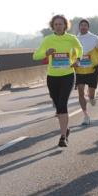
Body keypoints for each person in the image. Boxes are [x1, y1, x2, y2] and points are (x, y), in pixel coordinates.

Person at [33, 14, 83, 147]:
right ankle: (66, 129)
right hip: (52, 77)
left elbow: (79, 49)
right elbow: (35, 56)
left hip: (68, 75)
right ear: (52, 26)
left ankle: (63, 137)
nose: (58, 26)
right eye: (56, 24)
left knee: (62, 104)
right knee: (57, 105)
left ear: (65, 25)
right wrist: (46, 53)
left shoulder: (71, 38)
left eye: (60, 24)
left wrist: (77, 60)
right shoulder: (48, 39)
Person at [73, 19, 98, 126]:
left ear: (88, 27)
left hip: (92, 70)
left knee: (91, 95)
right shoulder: (75, 39)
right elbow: (72, 55)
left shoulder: (94, 38)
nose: (83, 27)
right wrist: (73, 63)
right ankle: (86, 116)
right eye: (81, 25)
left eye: (85, 25)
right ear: (79, 27)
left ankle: (92, 97)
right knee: (80, 92)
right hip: (80, 71)